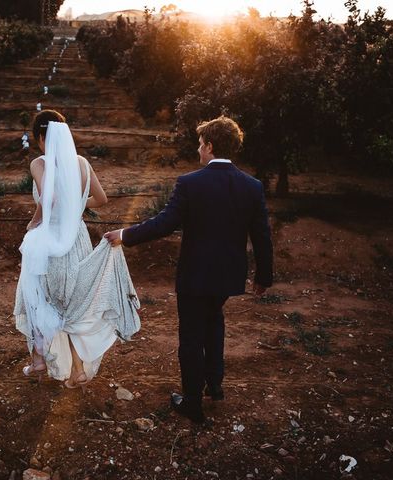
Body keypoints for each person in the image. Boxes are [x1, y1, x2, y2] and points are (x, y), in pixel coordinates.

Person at [105, 116, 273, 424]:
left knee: (192, 337)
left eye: (199, 144)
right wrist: (263, 277)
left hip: (195, 276)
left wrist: (124, 235)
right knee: (215, 323)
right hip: (227, 276)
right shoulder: (252, 186)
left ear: (209, 146)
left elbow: (165, 224)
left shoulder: (190, 183)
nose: (198, 150)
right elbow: (262, 235)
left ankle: (192, 402)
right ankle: (216, 385)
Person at [13, 110, 141, 389]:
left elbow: (51, 197)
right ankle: (78, 369)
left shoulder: (40, 164)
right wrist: (76, 206)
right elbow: (102, 198)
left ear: (42, 137)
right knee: (71, 303)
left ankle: (38, 358)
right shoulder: (81, 163)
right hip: (77, 239)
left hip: (50, 241)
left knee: (37, 295)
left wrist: (34, 220)